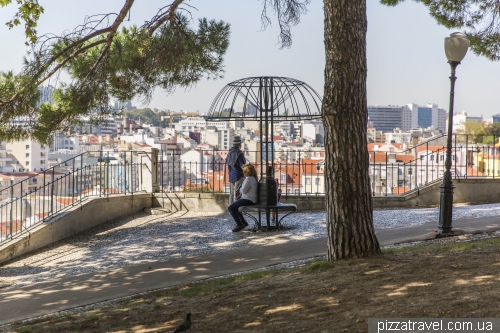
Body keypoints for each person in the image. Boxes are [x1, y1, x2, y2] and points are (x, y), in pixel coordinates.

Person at [227, 164, 258, 232]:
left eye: (244, 171)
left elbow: (243, 190)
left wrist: (241, 190)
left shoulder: (249, 179)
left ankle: (240, 224)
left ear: (248, 172)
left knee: (230, 208)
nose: (243, 173)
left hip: (248, 199)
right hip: (250, 199)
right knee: (236, 206)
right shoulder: (252, 178)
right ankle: (243, 222)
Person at [226, 135, 247, 205]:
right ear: (239, 144)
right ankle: (236, 208)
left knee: (232, 193)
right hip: (239, 176)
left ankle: (231, 208)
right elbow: (243, 166)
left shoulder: (229, 153)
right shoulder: (240, 154)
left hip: (231, 176)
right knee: (237, 193)